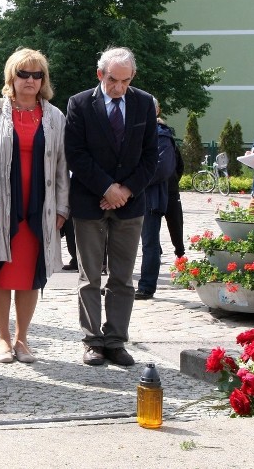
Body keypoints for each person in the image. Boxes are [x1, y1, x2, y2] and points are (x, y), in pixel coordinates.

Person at [64, 46, 157, 367]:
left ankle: (116, 339)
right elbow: (75, 154)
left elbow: (150, 156)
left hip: (130, 206)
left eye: (126, 81)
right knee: (90, 277)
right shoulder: (78, 104)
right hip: (90, 201)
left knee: (122, 277)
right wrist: (107, 187)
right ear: (100, 74)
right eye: (113, 80)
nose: (119, 88)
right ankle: (92, 340)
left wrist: (125, 190)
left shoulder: (143, 103)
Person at [0, 48, 69, 363]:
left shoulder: (55, 116)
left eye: (36, 74)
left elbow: (61, 166)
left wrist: (61, 208)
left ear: (44, 80)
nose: (30, 80)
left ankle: (22, 339)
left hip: (39, 207)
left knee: (30, 275)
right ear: (11, 77)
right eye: (23, 74)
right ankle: (2, 339)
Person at [135, 103, 177, 301]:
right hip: (128, 197)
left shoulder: (161, 135)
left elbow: (163, 169)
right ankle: (118, 283)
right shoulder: (131, 130)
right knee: (120, 243)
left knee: (150, 243)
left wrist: (131, 182)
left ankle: (146, 286)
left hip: (149, 198)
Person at [164, 132, 186, 258]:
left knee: (151, 225)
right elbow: (180, 166)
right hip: (171, 188)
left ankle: (156, 250)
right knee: (175, 222)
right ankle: (180, 252)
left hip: (153, 190)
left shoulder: (146, 137)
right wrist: (174, 180)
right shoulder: (170, 141)